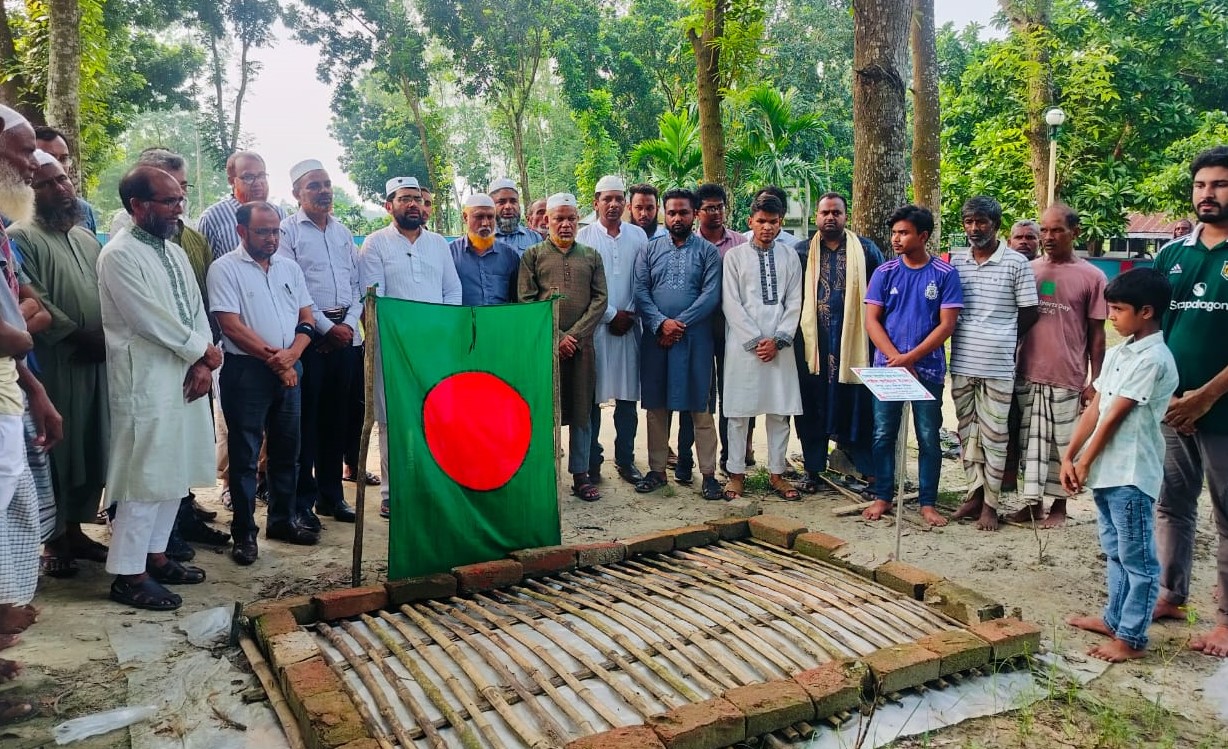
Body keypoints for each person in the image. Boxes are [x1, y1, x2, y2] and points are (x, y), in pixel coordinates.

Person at [98, 166, 218, 611]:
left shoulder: (174, 251)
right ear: (138, 206)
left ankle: (158, 557)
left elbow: (194, 308)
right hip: (145, 379)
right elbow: (148, 318)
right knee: (144, 476)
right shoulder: (119, 255)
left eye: (179, 199)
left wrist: (204, 360)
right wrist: (200, 351)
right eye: (169, 201)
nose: (178, 208)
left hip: (184, 374)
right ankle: (129, 576)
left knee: (174, 472)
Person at [1063, 269, 1179, 663]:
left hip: (1131, 472)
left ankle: (1132, 636)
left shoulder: (1155, 359)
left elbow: (1117, 416)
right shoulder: (1118, 353)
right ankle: (1114, 619)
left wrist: (1085, 460)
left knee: (1138, 559)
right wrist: (1070, 455)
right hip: (1107, 472)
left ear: (1146, 312)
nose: (1110, 316)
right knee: (1114, 550)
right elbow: (1096, 407)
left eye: (1117, 309)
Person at [8, 152, 110, 577]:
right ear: (27, 191)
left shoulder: (85, 237)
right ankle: (52, 541)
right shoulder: (21, 236)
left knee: (91, 445)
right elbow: (34, 302)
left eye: (64, 180)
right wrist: (74, 333)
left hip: (96, 358)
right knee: (57, 448)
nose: (61, 190)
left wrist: (106, 334)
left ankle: (74, 529)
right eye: (47, 183)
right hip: (56, 361)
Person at [1151, 146, 1228, 658]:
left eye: (1219, 184)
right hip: (1172, 409)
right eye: (1201, 185)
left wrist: (1205, 395)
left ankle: (1225, 620)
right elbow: (1151, 327)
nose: (1208, 194)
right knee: (1171, 504)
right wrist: (1169, 393)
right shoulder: (1172, 254)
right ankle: (1169, 594)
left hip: (1220, 410)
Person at [209, 202, 316, 565]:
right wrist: (278, 361)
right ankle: (244, 534)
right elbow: (231, 326)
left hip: (290, 368)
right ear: (242, 232)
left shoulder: (289, 267)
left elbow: (306, 316)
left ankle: (283, 520)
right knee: (245, 456)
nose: (272, 238)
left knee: (288, 451)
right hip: (246, 373)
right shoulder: (224, 269)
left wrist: (293, 356)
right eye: (263, 232)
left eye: (276, 231)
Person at [0, 105, 62, 721]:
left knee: (14, 527)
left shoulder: (0, 227)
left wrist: (34, 388)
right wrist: (18, 332)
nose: (32, 163)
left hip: (9, 398)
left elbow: (26, 312)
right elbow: (21, 322)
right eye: (21, 151)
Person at [360, 176, 461, 517]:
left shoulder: (438, 244)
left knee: (434, 415)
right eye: (404, 199)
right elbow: (376, 300)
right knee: (393, 420)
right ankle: (391, 492)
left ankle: (430, 483)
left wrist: (439, 333)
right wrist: (405, 337)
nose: (413, 204)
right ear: (389, 206)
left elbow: (452, 292)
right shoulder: (374, 244)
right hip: (392, 349)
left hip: (433, 348)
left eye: (417, 198)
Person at [862, 205, 962, 527]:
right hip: (887, 371)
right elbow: (872, 320)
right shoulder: (884, 272)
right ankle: (882, 496)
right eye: (894, 233)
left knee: (929, 437)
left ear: (923, 236)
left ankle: (928, 502)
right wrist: (896, 359)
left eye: (904, 233)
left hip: (927, 370)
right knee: (882, 435)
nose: (896, 238)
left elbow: (947, 325)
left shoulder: (945, 274)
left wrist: (911, 358)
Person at [197, 150, 285, 510]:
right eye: (248, 176)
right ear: (231, 180)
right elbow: (205, 273)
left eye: (262, 175)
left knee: (271, 421)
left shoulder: (276, 215)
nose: (257, 182)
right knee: (234, 422)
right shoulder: (213, 218)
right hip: (231, 339)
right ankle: (231, 483)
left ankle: (263, 480)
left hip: (276, 339)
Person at [1009, 204, 1106, 528]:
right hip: (1027, 371)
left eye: (1056, 230)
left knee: (1062, 445)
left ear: (1075, 233)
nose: (1048, 237)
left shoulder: (1092, 276)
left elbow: (1097, 334)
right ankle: (1032, 505)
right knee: (1029, 445)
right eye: (1045, 230)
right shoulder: (1029, 270)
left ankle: (1060, 507)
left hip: (1068, 375)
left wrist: (1095, 380)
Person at [949, 196, 1040, 530]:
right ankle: (974, 494)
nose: (974, 228)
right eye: (969, 221)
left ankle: (991, 503)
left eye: (981, 221)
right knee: (967, 432)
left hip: (999, 365)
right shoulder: (956, 262)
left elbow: (1030, 312)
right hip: (961, 361)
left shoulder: (1016, 263)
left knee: (995, 435)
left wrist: (1001, 337)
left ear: (996, 224)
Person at [279, 159, 361, 528]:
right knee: (306, 423)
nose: (324, 191)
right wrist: (326, 328)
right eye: (314, 186)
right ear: (297, 193)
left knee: (337, 420)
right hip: (308, 338)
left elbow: (358, 286)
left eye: (327, 184)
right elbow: (292, 288)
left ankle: (333, 498)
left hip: (345, 338)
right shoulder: (287, 232)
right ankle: (303, 503)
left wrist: (346, 325)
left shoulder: (343, 232)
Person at [633, 188, 724, 501]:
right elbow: (640, 292)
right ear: (664, 214)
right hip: (657, 339)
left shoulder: (708, 253)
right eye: (671, 212)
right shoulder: (649, 249)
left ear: (694, 213)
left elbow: (711, 295)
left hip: (695, 339)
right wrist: (661, 323)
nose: (677, 218)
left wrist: (679, 324)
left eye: (683, 212)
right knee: (656, 406)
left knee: (700, 407)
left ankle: (709, 475)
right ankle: (657, 470)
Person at [518, 193, 609, 501]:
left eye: (571, 218)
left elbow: (600, 299)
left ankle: (581, 475)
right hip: (545, 349)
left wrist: (576, 336)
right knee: (546, 410)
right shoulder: (533, 255)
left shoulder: (591, 256)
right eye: (559, 218)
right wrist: (557, 337)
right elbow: (526, 301)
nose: (566, 224)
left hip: (583, 350)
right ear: (547, 220)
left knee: (582, 410)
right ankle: (544, 473)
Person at [794, 192, 883, 493]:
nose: (830, 217)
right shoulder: (802, 252)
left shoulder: (866, 250)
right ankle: (812, 470)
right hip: (812, 347)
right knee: (811, 408)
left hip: (854, 347)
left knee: (857, 407)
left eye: (836, 212)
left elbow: (879, 296)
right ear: (815, 217)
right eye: (824, 213)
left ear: (846, 216)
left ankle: (870, 473)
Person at [721, 195, 804, 500]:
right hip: (744, 347)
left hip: (780, 346)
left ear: (780, 222)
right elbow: (731, 302)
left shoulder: (789, 256)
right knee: (739, 412)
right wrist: (757, 341)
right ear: (750, 222)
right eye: (761, 221)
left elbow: (795, 301)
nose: (767, 227)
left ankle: (778, 473)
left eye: (773, 221)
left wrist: (779, 340)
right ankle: (736, 474)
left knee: (779, 412)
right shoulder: (735, 257)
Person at [577, 176, 647, 485]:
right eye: (607, 199)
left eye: (619, 198)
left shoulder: (638, 237)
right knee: (593, 396)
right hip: (596, 329)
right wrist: (609, 315)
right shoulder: (584, 237)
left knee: (628, 398)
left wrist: (628, 315)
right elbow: (582, 287)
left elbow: (642, 280)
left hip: (630, 328)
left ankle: (626, 459)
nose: (614, 204)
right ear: (596, 203)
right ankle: (593, 460)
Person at [682, 182, 748, 476]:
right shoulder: (687, 243)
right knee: (697, 395)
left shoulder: (740, 244)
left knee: (732, 395)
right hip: (697, 331)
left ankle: (731, 457)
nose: (716, 213)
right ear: (697, 213)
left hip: (732, 332)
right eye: (709, 208)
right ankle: (687, 459)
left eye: (720, 207)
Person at [449, 193, 520, 306]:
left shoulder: (509, 255)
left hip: (499, 321)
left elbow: (517, 299)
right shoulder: (450, 254)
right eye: (479, 217)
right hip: (462, 322)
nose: (485, 223)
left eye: (490, 217)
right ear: (465, 217)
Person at [32, 125, 98, 234]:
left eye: (63, 159)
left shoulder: (83, 209)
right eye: (48, 158)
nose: (58, 165)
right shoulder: (11, 215)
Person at [488, 178, 542, 254]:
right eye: (502, 202)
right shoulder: (481, 239)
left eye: (513, 201)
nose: (508, 206)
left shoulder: (534, 238)